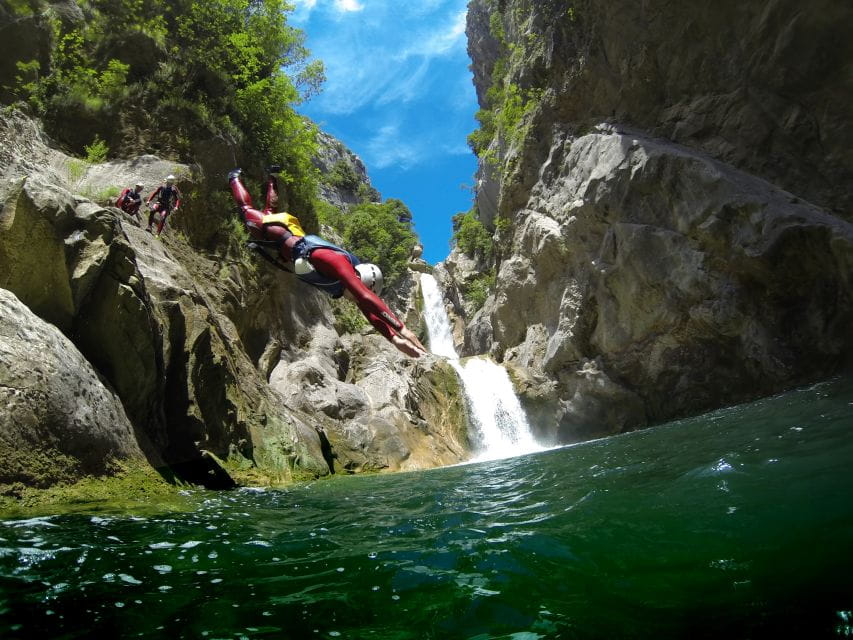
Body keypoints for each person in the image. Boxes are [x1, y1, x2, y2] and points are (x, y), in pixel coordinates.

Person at [227, 167, 428, 358]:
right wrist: (403, 329)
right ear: (361, 279)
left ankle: (271, 177)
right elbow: (365, 297)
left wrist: (393, 339)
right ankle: (233, 177)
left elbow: (369, 311)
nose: (354, 299)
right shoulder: (339, 263)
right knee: (246, 210)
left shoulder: (342, 282)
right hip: (279, 234)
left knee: (270, 211)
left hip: (284, 237)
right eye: (360, 289)